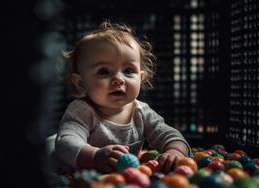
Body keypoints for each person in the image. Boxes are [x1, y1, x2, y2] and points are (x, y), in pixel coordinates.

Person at [55, 21, 190, 173]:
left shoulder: (141, 111)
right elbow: (65, 144)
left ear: (141, 77)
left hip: (123, 180)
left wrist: (175, 151)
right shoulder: (82, 110)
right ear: (81, 83)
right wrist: (94, 157)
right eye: (104, 71)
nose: (119, 79)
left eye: (128, 70)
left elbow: (169, 134)